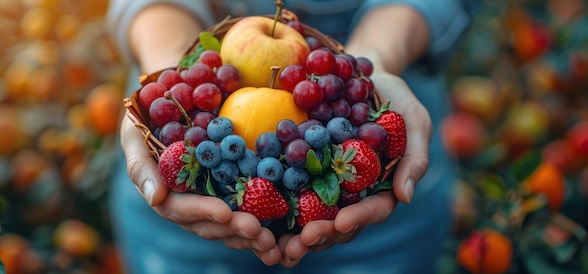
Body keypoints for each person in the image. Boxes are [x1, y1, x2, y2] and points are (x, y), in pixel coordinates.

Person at [106, 0, 481, 273]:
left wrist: (376, 59)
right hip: (185, 208)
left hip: (379, 209)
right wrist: (167, 63)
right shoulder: (188, 120)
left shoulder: (346, 123)